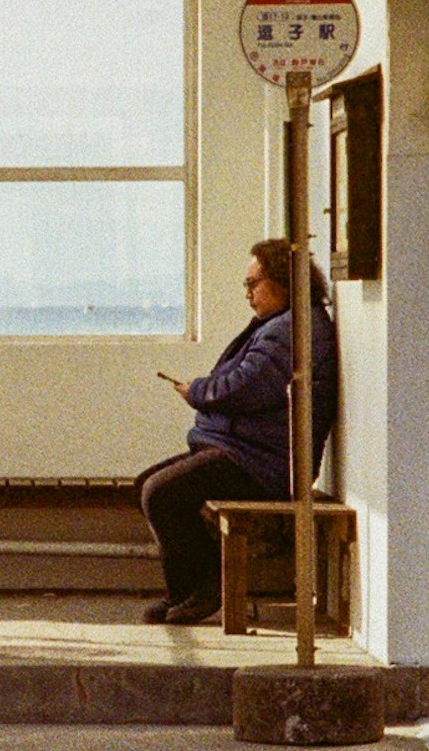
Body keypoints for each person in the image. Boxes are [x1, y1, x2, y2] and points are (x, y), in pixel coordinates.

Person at [136, 239, 336, 624]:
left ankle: (204, 586)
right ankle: (185, 591)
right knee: (148, 484)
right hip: (248, 451)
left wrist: (196, 391)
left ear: (285, 282)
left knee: (159, 492)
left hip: (262, 463)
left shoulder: (290, 330)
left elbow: (247, 386)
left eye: (253, 284)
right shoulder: (284, 325)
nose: (247, 294)